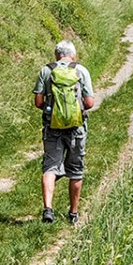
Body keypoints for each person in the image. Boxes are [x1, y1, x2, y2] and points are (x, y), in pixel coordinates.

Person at [33, 40, 96, 224]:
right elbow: (90, 102)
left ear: (56, 55)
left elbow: (38, 102)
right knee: (76, 170)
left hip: (52, 127)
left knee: (50, 168)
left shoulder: (46, 70)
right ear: (73, 55)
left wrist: (53, 111)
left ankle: (48, 209)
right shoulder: (81, 71)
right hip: (76, 128)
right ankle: (74, 213)